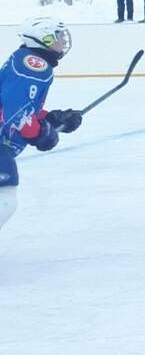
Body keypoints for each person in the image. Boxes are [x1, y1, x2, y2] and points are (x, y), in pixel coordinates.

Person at [0, 17, 83, 235]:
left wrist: (53, 119)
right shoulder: (36, 66)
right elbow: (16, 114)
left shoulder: (23, 57)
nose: (62, 42)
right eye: (57, 37)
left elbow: (17, 104)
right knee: (5, 200)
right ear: (42, 39)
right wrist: (40, 133)